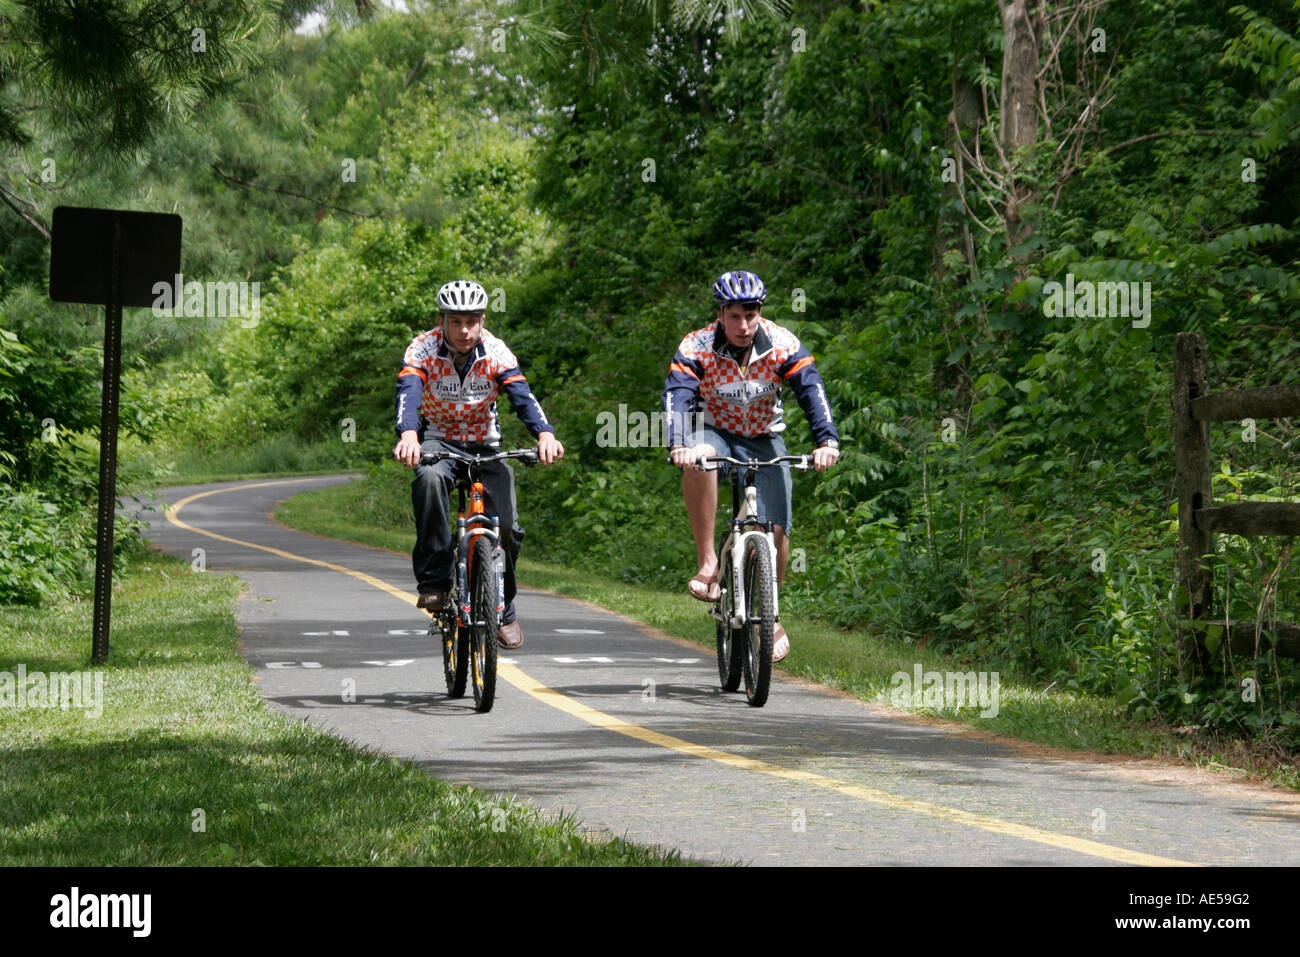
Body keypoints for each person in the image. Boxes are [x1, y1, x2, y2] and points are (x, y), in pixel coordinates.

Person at [663, 270, 839, 662]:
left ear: (760, 312)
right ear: (721, 313)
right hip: (713, 432)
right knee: (701, 459)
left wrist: (827, 441)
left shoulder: (781, 343)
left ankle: (770, 612)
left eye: (751, 315)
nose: (743, 326)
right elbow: (676, 395)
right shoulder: (697, 346)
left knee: (775, 527)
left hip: (764, 435)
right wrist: (678, 443)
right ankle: (708, 560)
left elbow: (811, 389)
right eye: (735, 316)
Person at [392, 280, 563, 649]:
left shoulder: (497, 352)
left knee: (510, 529)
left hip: (486, 444)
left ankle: (505, 607)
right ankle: (436, 581)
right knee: (428, 480)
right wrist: (408, 435)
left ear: (482, 320)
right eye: (456, 322)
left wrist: (545, 434)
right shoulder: (422, 348)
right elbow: (409, 392)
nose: (465, 330)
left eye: (472, 321)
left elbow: (523, 396)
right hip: (438, 439)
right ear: (442, 321)